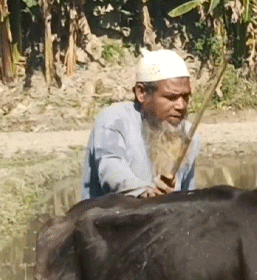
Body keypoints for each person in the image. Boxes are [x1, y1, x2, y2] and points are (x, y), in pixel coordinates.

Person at [81, 48, 202, 201]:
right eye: (172, 97)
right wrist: (146, 192)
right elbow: (111, 170)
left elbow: (187, 195)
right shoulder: (115, 119)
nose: (181, 105)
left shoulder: (189, 134)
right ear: (142, 93)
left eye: (185, 97)